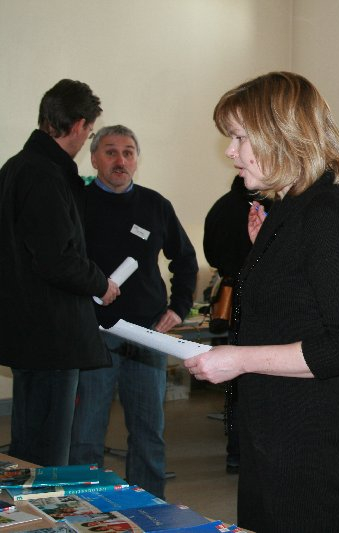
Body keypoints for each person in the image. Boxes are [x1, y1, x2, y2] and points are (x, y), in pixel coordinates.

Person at [185, 71, 339, 532]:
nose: (230, 151)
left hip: (304, 443)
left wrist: (238, 360)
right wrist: (264, 252)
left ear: (281, 134)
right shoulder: (289, 208)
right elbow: (291, 305)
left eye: (239, 137)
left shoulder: (326, 211)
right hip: (270, 432)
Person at [69, 125, 198, 499]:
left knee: (148, 432)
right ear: (94, 159)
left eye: (128, 152)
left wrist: (179, 307)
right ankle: (85, 509)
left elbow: (185, 259)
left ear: (136, 160)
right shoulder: (77, 203)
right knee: (86, 433)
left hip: (146, 334)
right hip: (94, 334)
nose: (120, 160)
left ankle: (149, 508)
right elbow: (61, 262)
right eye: (110, 152)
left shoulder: (155, 205)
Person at [0, 79, 119, 466]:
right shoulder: (45, 175)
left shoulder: (16, 167)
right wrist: (100, 283)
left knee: (27, 449)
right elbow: (56, 259)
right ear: (79, 125)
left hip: (26, 328)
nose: (86, 140)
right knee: (46, 457)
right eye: (90, 132)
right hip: (51, 332)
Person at [203, 174, 271, 474]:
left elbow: (210, 253)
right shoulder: (267, 209)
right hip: (262, 298)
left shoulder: (220, 207)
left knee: (236, 379)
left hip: (231, 296)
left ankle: (235, 451)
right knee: (259, 377)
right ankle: (255, 451)